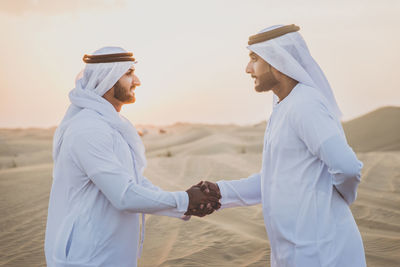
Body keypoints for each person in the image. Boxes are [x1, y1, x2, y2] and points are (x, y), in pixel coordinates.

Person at [193, 25, 366, 266]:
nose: (247, 68)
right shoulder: (284, 106)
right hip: (293, 252)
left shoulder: (305, 104)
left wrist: (336, 200)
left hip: (322, 251)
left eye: (254, 58)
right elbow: (275, 178)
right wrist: (221, 192)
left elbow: (347, 167)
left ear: (277, 60)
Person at [44, 46, 220, 267]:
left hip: (110, 254)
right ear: (106, 78)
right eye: (128, 73)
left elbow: (133, 182)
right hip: (88, 257)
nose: (137, 81)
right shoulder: (88, 129)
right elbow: (124, 196)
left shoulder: (110, 125)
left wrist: (185, 204)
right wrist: (185, 200)